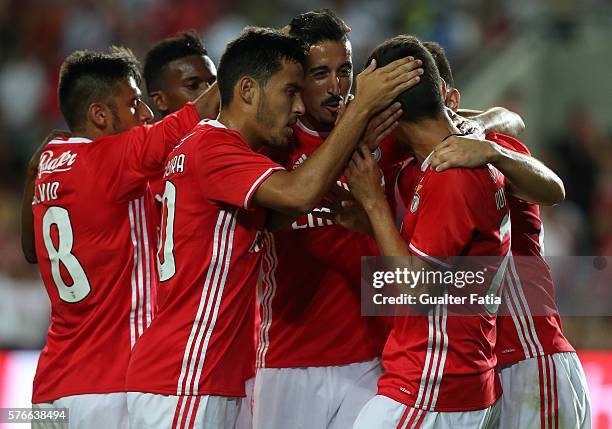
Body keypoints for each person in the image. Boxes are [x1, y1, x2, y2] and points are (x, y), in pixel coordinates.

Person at [125, 26, 422, 429]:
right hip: (189, 375)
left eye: (344, 72)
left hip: (210, 375)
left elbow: (286, 212)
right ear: (248, 91)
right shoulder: (216, 148)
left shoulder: (223, 153)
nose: (299, 105)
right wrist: (359, 114)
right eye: (291, 90)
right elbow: (299, 193)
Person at [253, 10, 529, 429]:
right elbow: (281, 210)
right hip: (292, 359)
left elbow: (506, 119)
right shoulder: (276, 143)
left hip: (383, 359)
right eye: (319, 74)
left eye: (345, 71)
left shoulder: (389, 126)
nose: (335, 87)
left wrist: (477, 131)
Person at [342, 34, 536, 429]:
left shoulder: (453, 174)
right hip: (449, 380)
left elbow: (417, 290)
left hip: (433, 386)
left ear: (389, 113)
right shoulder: (451, 158)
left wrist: (374, 203)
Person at [26, 46, 218, 428]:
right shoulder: (110, 158)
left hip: (50, 391)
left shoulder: (51, 157)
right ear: (99, 114)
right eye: (133, 103)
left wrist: (33, 175)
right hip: (110, 389)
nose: (145, 113)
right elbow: (194, 116)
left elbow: (31, 251)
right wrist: (254, 56)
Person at [424, 41, 591, 429]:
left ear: (448, 97)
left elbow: (553, 188)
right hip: (480, 374)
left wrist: (489, 143)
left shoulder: (488, 150)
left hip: (531, 361)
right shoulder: (417, 163)